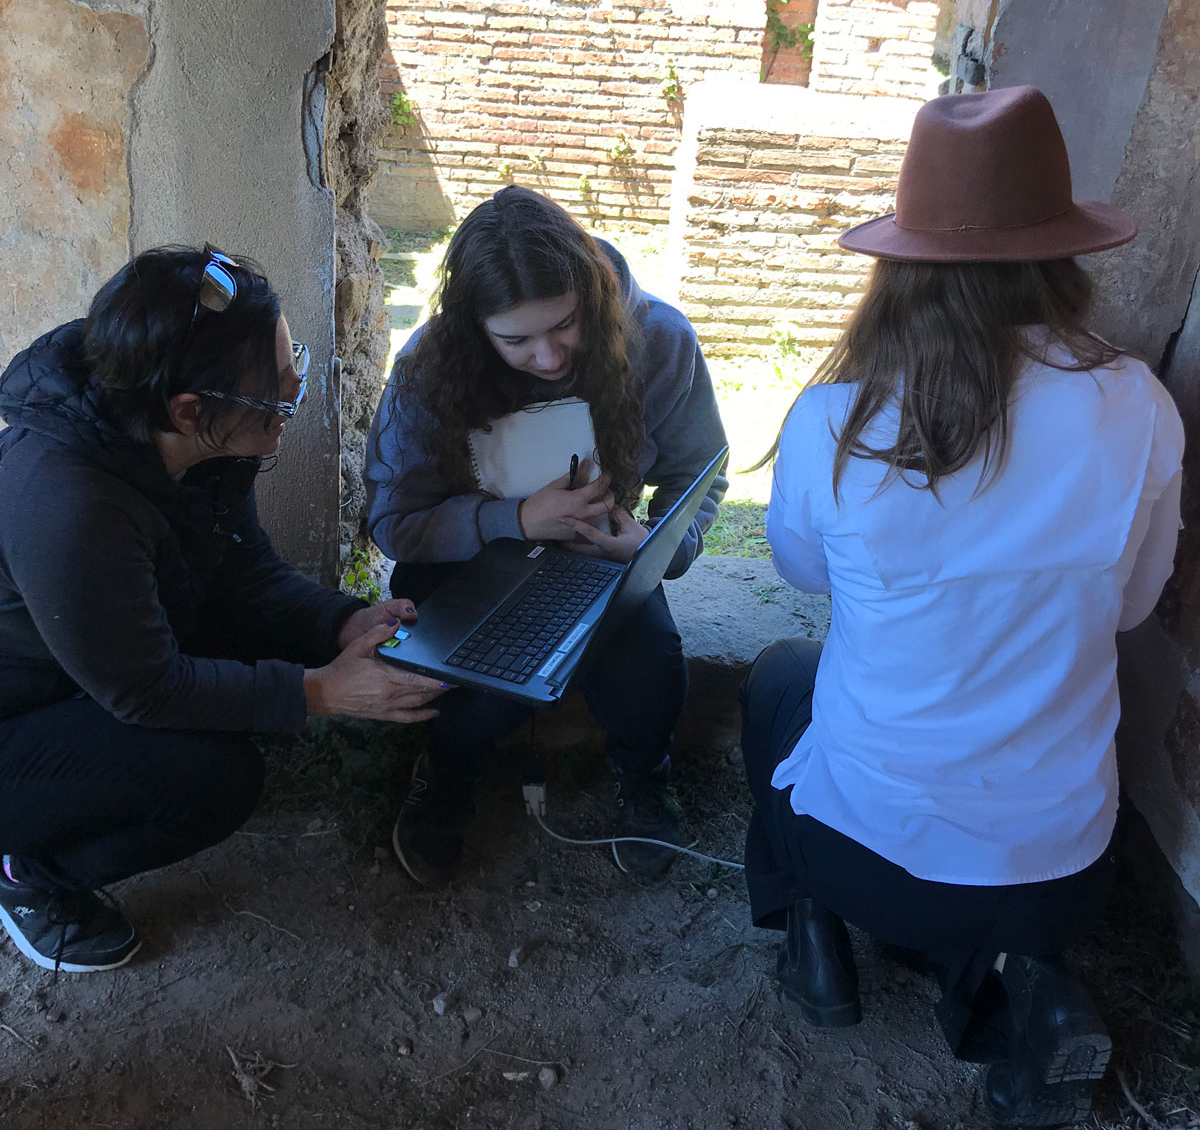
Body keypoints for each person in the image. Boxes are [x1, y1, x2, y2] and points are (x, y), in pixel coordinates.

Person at [739, 86, 1184, 1130]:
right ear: (1061, 254)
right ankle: (1022, 980)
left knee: (775, 684)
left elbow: (801, 572)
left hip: (864, 859)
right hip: (1062, 873)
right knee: (994, 859)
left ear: (901, 265)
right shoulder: (1139, 410)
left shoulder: (834, 422)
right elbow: (1132, 607)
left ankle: (815, 937)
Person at [0, 246, 446, 974]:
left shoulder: (203, 434)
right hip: (17, 713)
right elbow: (147, 689)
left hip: (82, 663)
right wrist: (322, 692)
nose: (294, 390)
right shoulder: (68, 504)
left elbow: (240, 571)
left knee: (253, 663)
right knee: (212, 782)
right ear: (189, 410)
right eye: (277, 389)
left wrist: (339, 622)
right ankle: (29, 872)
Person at [365, 186, 728, 887]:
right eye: (516, 340)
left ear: (590, 298)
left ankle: (645, 778)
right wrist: (517, 520)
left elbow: (700, 476)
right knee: (480, 689)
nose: (549, 356)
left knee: (651, 666)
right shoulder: (428, 369)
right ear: (475, 330)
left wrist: (653, 546)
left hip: (599, 557)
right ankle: (445, 774)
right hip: (466, 562)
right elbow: (395, 524)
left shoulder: (660, 339)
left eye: (565, 326)